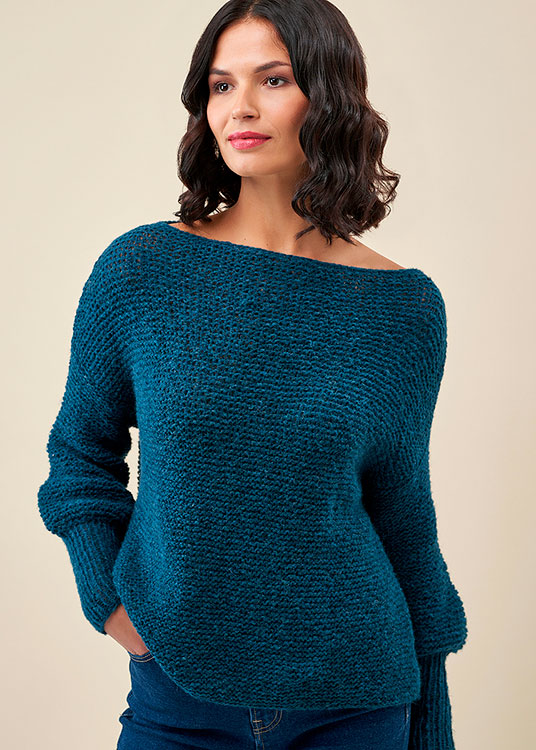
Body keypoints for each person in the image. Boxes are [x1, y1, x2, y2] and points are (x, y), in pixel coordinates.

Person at [37, 1, 469, 748]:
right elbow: (79, 455)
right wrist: (108, 601)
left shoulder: (403, 308)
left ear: (328, 95)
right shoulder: (143, 271)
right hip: (178, 696)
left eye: (273, 79)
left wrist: (431, 726)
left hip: (357, 697)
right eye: (220, 84)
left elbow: (403, 517)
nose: (239, 106)